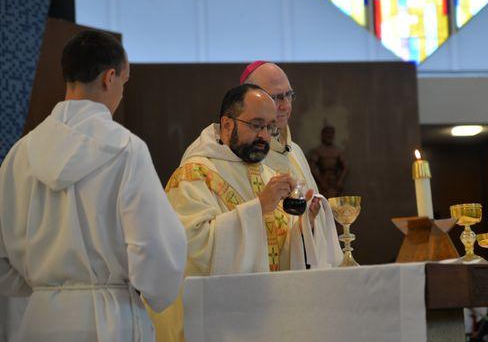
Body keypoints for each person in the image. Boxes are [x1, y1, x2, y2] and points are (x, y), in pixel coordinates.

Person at [0, 30, 187, 341]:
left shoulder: (20, 154)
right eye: (124, 84)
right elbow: (154, 247)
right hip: (109, 317)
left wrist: (46, 287)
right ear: (109, 77)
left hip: (40, 318)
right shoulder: (127, 149)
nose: (121, 93)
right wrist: (157, 290)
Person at [150, 84, 341, 341]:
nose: (265, 136)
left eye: (270, 127)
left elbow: (278, 252)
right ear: (227, 125)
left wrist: (307, 226)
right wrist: (258, 208)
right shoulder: (195, 174)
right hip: (214, 325)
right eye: (256, 125)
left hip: (266, 322)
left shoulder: (269, 176)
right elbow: (191, 247)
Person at [240, 61, 344, 239]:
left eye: (289, 95)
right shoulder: (240, 153)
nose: (286, 106)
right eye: (276, 97)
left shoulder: (294, 151)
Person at [309, 125, 349, 198]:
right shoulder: (318, 151)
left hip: (335, 182)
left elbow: (345, 167)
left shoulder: (338, 151)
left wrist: (340, 181)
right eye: (327, 133)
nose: (329, 135)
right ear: (322, 135)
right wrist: (320, 181)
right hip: (322, 181)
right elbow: (312, 168)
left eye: (331, 133)